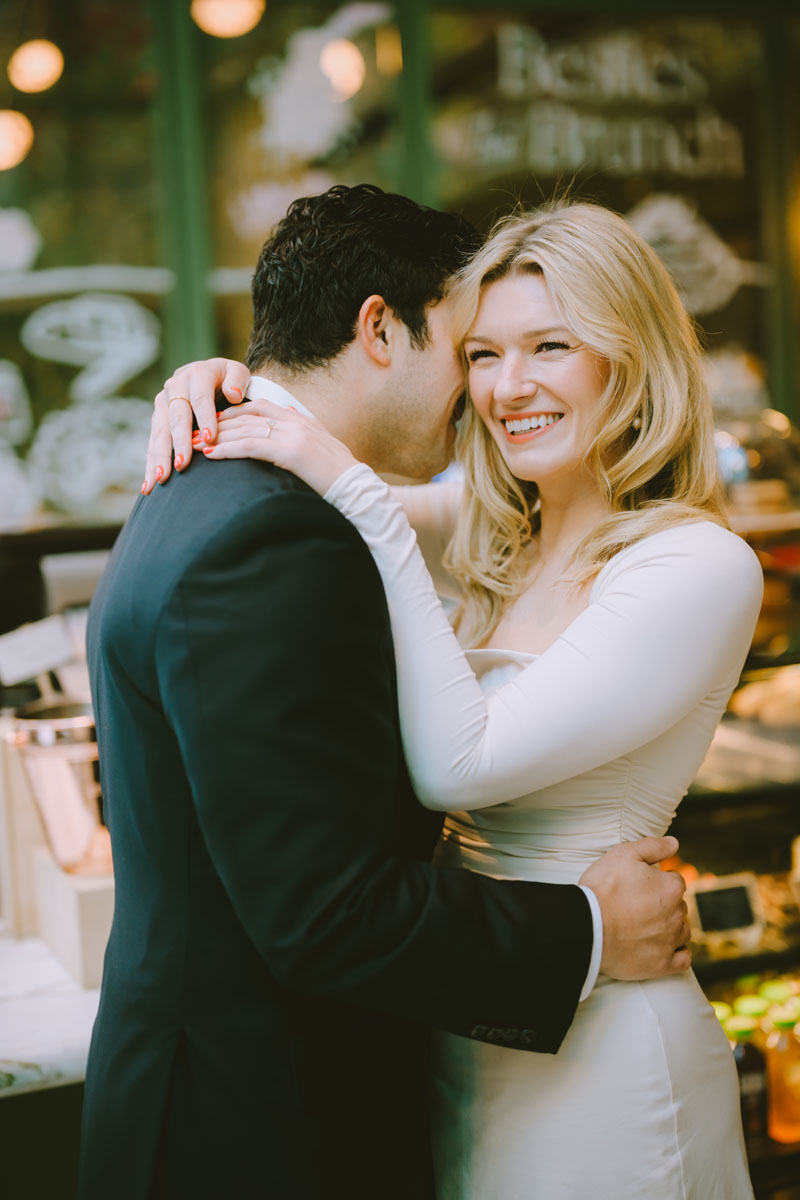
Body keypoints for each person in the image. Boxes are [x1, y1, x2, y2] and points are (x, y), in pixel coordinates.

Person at [80, 186, 690, 1200]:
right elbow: (326, 913)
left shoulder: (208, 482)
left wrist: (215, 379)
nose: (484, 390)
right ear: (378, 329)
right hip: (255, 1133)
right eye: (469, 350)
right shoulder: (272, 534)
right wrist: (588, 929)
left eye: (538, 349)